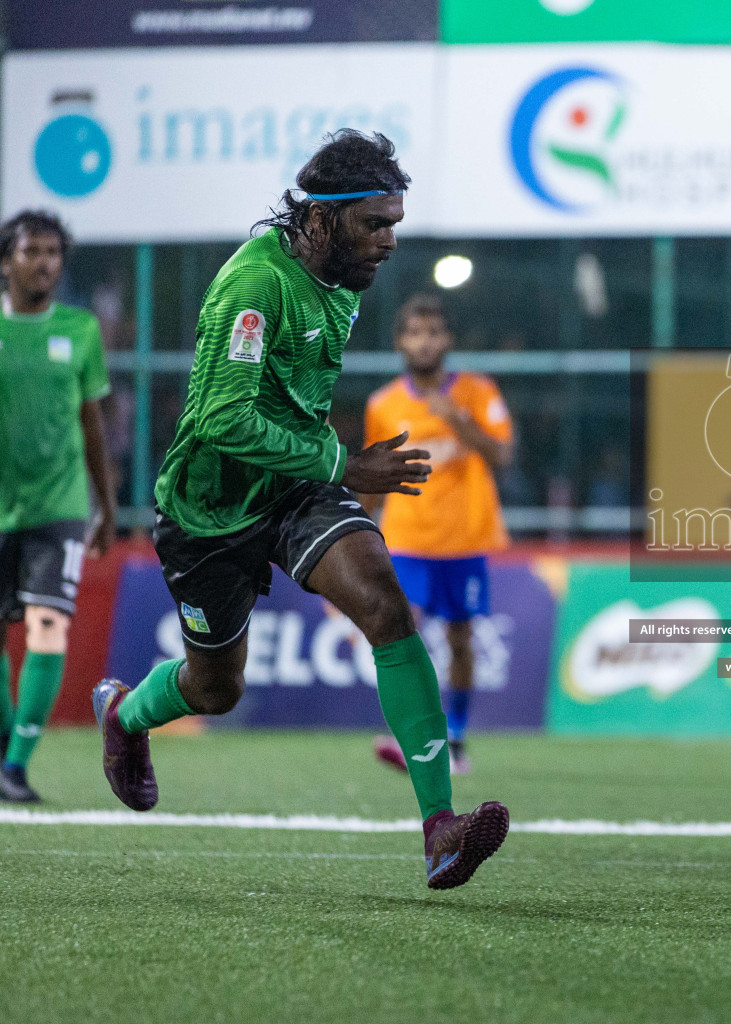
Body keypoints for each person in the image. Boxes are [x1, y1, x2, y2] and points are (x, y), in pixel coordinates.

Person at [90, 130, 510, 889]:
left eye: (395, 223)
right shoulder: (254, 288)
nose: (388, 241)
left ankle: (439, 827)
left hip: (297, 489)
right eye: (374, 224)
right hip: (211, 509)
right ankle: (124, 714)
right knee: (216, 688)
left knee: (386, 605)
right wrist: (345, 461)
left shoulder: (344, 280)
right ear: (320, 218)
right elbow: (222, 421)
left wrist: (329, 471)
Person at [365, 293, 513, 777]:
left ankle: (457, 738)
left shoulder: (477, 392)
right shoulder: (383, 405)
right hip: (407, 537)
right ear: (399, 342)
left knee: (461, 640)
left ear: (447, 340)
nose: (424, 341)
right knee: (402, 632)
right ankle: (414, 732)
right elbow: (371, 478)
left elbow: (501, 456)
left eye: (433, 332)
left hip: (464, 538)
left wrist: (458, 421)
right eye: (414, 332)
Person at [0, 211, 116, 803]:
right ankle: (5, 744)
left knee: (48, 625)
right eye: (31, 251)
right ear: (7, 261)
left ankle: (16, 764)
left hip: (61, 503)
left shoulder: (81, 329)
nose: (44, 262)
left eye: (53, 252)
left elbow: (92, 425)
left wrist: (107, 504)